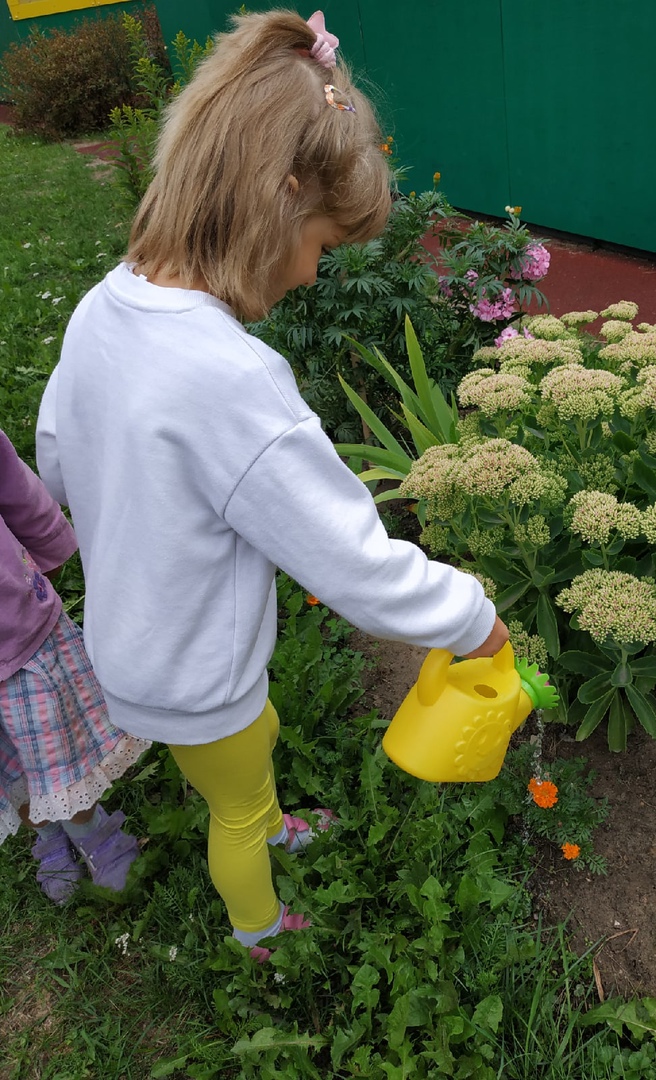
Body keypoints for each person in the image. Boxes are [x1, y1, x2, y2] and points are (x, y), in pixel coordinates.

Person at [35, 9, 508, 958]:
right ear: (279, 198)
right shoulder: (233, 380)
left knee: (246, 755)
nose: (316, 276)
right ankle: (262, 935)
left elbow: (54, 450)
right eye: (323, 246)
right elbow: (353, 561)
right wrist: (470, 619)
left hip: (132, 643)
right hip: (195, 676)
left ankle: (261, 810)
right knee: (237, 809)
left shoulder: (105, 306)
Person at [0, 428, 149, 903]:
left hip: (16, 630)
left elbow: (13, 485)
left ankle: (93, 833)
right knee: (8, 767)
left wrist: (48, 544)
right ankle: (48, 836)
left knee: (57, 753)